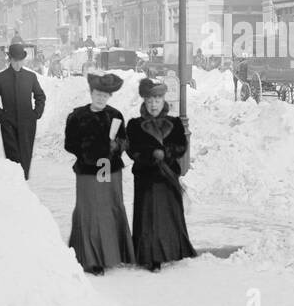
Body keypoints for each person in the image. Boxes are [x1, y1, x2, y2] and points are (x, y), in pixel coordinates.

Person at [64, 72, 133, 275]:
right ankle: (90, 259)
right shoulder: (76, 116)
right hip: (87, 171)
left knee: (109, 209)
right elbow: (69, 144)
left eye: (104, 95)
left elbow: (125, 141)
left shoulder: (116, 115)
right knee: (89, 212)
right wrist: (88, 152)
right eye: (97, 93)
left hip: (111, 170)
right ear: (91, 92)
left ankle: (112, 254)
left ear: (109, 96)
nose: (101, 98)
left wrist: (116, 146)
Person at [125, 78, 196, 273]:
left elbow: (182, 145)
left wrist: (167, 153)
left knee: (168, 216)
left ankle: (173, 249)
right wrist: (150, 155)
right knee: (148, 219)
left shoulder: (174, 123)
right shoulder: (134, 125)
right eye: (149, 101)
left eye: (157, 100)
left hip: (167, 177)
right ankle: (151, 256)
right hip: (146, 178)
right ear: (144, 103)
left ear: (163, 100)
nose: (153, 105)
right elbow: (132, 150)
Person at [0, 42, 46, 180]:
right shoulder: (0, 78)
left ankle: (24, 183)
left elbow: (40, 96)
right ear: (10, 59)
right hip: (8, 124)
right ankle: (15, 185)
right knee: (13, 158)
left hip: (28, 124)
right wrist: (1, 116)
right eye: (15, 60)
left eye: (20, 60)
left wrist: (36, 113)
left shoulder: (30, 77)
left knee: (25, 157)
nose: (18, 64)